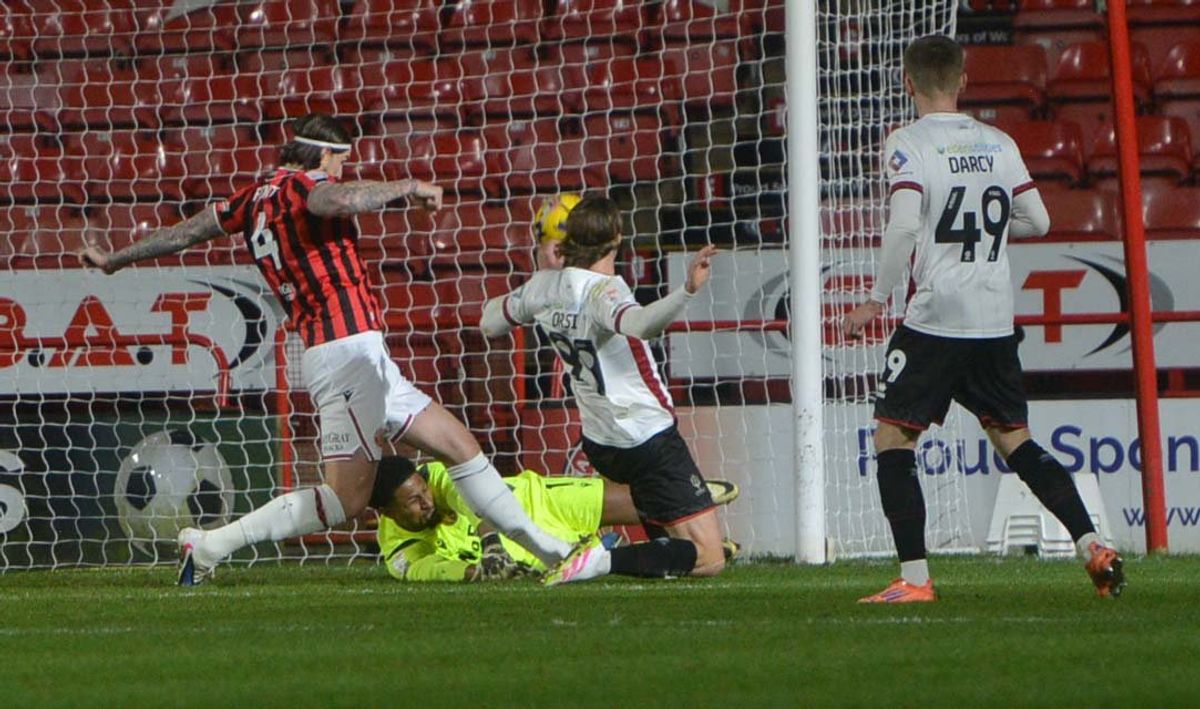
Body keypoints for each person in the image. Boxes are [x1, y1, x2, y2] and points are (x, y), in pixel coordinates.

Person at [78, 112, 572, 585]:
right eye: (340, 162)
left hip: (356, 355)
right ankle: (211, 545)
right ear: (324, 155)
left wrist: (116, 259)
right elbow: (332, 201)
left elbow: (186, 233)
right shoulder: (303, 187)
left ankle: (551, 552)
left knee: (460, 447)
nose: (341, 172)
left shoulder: (250, 199)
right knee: (344, 501)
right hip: (345, 352)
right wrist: (408, 187)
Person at [842, 36, 1126, 602]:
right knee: (1015, 439)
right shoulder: (999, 142)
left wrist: (876, 296)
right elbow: (1038, 221)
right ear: (964, 82)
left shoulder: (907, 142)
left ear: (908, 83)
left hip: (937, 315)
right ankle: (1090, 543)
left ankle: (916, 580)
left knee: (893, 439)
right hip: (994, 318)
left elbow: (901, 227)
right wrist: (986, 236)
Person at [479, 194, 724, 585]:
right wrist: (687, 291)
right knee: (710, 558)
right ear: (617, 238)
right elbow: (641, 324)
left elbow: (490, 323)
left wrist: (531, 298)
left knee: (676, 547)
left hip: (599, 441)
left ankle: (658, 549)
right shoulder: (604, 291)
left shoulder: (543, 287)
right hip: (645, 436)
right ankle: (599, 559)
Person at [371, 455, 740, 582]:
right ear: (388, 512)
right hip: (532, 549)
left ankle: (691, 502)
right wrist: (474, 572)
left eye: (423, 492)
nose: (426, 502)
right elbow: (427, 570)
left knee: (639, 501)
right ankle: (695, 551)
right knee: (600, 562)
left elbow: (467, 498)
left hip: (541, 499)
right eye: (414, 503)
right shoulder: (400, 552)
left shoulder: (437, 475)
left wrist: (491, 543)